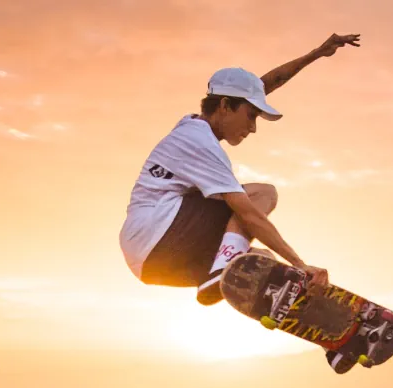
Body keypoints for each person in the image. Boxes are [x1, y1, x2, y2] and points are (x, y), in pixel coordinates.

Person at [119, 33, 361, 307]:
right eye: (250, 116)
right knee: (262, 194)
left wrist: (314, 54)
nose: (253, 128)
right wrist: (300, 263)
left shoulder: (192, 127)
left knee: (262, 265)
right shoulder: (201, 144)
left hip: (151, 263)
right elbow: (248, 214)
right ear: (224, 106)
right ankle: (221, 270)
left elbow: (260, 87)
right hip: (158, 236)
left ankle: (220, 277)